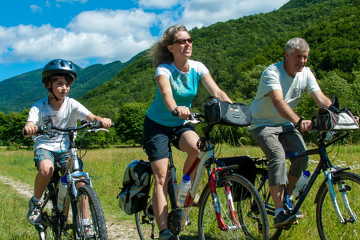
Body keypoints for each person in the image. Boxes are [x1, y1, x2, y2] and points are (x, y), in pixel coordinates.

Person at [143, 24, 232, 240]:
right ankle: (164, 231)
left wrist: (235, 109)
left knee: (199, 149)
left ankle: (183, 193)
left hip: (181, 124)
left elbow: (216, 91)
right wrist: (176, 108)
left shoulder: (198, 67)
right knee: (162, 176)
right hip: (157, 125)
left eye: (190, 40)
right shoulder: (164, 69)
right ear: (171, 47)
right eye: (182, 41)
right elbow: (166, 93)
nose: (187, 44)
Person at [249, 37, 332, 228]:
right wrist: (299, 121)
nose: (302, 61)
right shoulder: (272, 72)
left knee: (301, 157)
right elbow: (278, 101)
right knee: (277, 156)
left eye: (305, 57)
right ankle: (279, 212)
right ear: (286, 56)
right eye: (298, 57)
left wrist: (341, 114)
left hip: (285, 124)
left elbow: (319, 98)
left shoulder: (306, 73)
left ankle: (286, 197)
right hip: (262, 124)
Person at [24, 59, 112, 234]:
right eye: (59, 84)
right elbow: (31, 121)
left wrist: (101, 120)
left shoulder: (72, 104)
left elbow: (91, 116)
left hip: (66, 147)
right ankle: (35, 202)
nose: (64, 88)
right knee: (46, 169)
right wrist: (30, 127)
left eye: (67, 84)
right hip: (46, 147)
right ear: (49, 85)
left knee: (80, 181)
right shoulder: (39, 106)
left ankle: (86, 224)